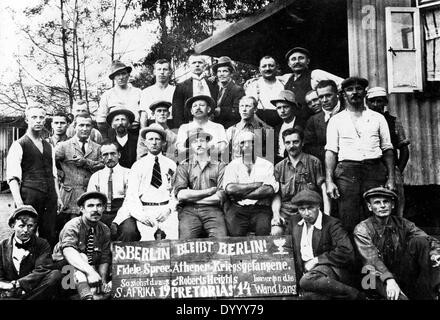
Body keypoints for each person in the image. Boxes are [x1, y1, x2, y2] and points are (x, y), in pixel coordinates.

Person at [325, 77, 395, 233]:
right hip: (347, 172)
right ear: (343, 94)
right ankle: (354, 256)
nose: (354, 93)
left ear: (364, 93)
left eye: (358, 89)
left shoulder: (378, 118)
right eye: (350, 90)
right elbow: (331, 151)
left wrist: (391, 178)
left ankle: (377, 255)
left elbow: (388, 149)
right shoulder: (336, 120)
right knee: (348, 217)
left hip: (374, 170)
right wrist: (329, 181)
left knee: (377, 214)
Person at [354, 187, 440, 300]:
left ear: (392, 205)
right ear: (370, 207)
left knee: (420, 242)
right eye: (377, 202)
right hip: (372, 276)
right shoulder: (362, 229)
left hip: (399, 272)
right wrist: (389, 279)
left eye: (386, 202)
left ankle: (436, 289)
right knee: (399, 298)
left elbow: (428, 239)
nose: (382, 206)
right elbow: (372, 259)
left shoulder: (402, 223)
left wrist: (436, 252)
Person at [286, 189, 363, 300]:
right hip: (306, 272)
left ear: (318, 206)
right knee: (309, 296)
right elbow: (287, 248)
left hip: (328, 270)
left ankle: (356, 295)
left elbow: (346, 251)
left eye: (310, 208)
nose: (306, 213)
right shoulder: (294, 222)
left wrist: (316, 260)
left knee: (307, 280)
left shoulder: (332, 224)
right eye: (302, 209)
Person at [7, 105, 62, 247]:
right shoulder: (19, 145)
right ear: (27, 120)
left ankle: (45, 266)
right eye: (34, 117)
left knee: (49, 234)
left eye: (41, 117)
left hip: (50, 197)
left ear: (45, 120)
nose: (38, 121)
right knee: (26, 234)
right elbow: (13, 178)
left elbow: (54, 174)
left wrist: (58, 197)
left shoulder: (49, 146)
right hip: (29, 197)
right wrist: (20, 205)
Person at [115, 125, 178, 241]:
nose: (154, 143)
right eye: (150, 139)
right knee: (147, 243)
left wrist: (169, 209)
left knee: (173, 241)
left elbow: (175, 192)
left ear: (163, 142)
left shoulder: (171, 164)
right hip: (146, 210)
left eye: (157, 139)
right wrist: (141, 215)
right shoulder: (138, 165)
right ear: (145, 143)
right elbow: (132, 195)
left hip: (166, 210)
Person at [52, 191, 112, 300]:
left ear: (103, 208)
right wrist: (91, 272)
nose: (95, 209)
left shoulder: (104, 229)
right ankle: (86, 295)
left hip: (87, 273)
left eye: (99, 205)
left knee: (103, 292)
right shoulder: (72, 225)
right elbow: (68, 251)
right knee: (82, 257)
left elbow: (104, 258)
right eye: (90, 206)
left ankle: (92, 294)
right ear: (81, 209)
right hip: (65, 271)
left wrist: (102, 280)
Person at [271, 128, 330, 236]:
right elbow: (277, 195)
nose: (291, 146)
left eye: (295, 142)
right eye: (288, 143)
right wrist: (276, 215)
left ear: (302, 143)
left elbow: (324, 189)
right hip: (286, 212)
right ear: (284, 144)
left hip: (309, 211)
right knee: (276, 232)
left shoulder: (314, 162)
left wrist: (326, 216)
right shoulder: (279, 167)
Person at [223, 131, 278, 236]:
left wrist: (240, 194)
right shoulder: (232, 165)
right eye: (243, 143)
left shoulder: (266, 165)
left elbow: (269, 190)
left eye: (250, 142)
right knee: (235, 239)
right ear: (238, 146)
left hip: (260, 209)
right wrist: (257, 185)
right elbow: (230, 189)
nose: (247, 146)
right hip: (238, 208)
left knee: (263, 236)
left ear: (256, 145)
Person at [174, 129, 227, 239]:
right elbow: (181, 195)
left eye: (202, 140)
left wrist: (192, 198)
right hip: (189, 211)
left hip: (213, 209)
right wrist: (208, 191)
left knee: (221, 241)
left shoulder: (220, 165)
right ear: (190, 146)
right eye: (194, 141)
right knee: (185, 244)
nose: (198, 144)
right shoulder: (184, 165)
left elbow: (220, 195)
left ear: (208, 143)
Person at [0, 206, 62, 300]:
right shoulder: (2, 246)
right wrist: (7, 286)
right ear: (13, 226)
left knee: (55, 275)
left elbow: (42, 269)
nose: (25, 230)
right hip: (9, 290)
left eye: (30, 226)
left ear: (35, 226)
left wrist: (17, 284)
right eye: (21, 226)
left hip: (32, 288)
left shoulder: (42, 244)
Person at [366, 87, 410, 217]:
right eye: (372, 101)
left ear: (385, 103)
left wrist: (397, 171)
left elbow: (404, 150)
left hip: (390, 169)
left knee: (395, 203)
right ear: (367, 102)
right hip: (372, 169)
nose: (375, 105)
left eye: (379, 101)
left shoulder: (394, 121)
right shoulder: (364, 120)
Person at [55, 114, 104, 224]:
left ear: (92, 127)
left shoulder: (97, 148)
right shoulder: (64, 146)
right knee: (71, 229)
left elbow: (103, 165)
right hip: (70, 197)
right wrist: (59, 172)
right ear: (74, 126)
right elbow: (49, 162)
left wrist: (86, 162)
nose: (84, 128)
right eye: (81, 125)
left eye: (88, 125)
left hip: (90, 195)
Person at [87, 142, 130, 229]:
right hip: (102, 212)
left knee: (129, 230)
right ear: (101, 157)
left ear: (119, 155)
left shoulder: (128, 174)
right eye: (105, 154)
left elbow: (130, 201)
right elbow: (91, 200)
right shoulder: (96, 176)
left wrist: (117, 221)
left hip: (124, 212)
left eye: (113, 154)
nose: (109, 158)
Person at [97, 61, 142, 139]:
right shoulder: (107, 95)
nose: (121, 77)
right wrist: (106, 138)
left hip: (136, 132)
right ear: (114, 77)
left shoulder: (138, 92)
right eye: (118, 74)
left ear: (128, 75)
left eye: (123, 73)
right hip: (115, 133)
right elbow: (101, 120)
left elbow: (145, 114)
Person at [172, 54, 218, 128]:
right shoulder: (181, 86)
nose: (197, 65)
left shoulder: (212, 85)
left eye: (200, 62)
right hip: (190, 125)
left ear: (205, 66)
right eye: (194, 63)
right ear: (189, 66)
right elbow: (177, 112)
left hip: (211, 124)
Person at [304, 80, 342, 165]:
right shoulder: (313, 120)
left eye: (328, 95)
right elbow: (309, 147)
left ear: (337, 94)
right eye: (321, 97)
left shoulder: (348, 113)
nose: (324, 100)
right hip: (324, 164)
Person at [226, 96, 272, 161]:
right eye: (241, 106)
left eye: (248, 106)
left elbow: (270, 158)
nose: (244, 109)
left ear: (255, 109)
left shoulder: (266, 130)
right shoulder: (231, 131)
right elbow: (226, 156)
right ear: (239, 109)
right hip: (236, 168)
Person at [245, 56, 286, 127]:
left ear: (276, 67)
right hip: (259, 125)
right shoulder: (253, 86)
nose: (267, 68)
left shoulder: (284, 84)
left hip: (281, 123)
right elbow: (249, 109)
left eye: (271, 66)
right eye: (264, 66)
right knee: (263, 138)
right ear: (260, 69)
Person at [271, 90, 307, 164]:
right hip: (278, 163)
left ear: (293, 107)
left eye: (286, 107)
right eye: (279, 108)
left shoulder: (302, 124)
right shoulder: (277, 127)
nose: (282, 111)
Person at [139, 59, 175, 128]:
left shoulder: (175, 90)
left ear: (170, 72)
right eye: (159, 69)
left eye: (165, 69)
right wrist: (143, 135)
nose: (162, 72)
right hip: (152, 126)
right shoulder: (146, 92)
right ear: (154, 72)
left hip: (171, 125)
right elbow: (144, 116)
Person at [211, 56, 245, 128]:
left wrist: (220, 111)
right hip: (214, 128)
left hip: (230, 128)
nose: (221, 74)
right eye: (219, 71)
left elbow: (238, 112)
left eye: (225, 71)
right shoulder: (214, 88)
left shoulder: (237, 90)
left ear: (231, 74)